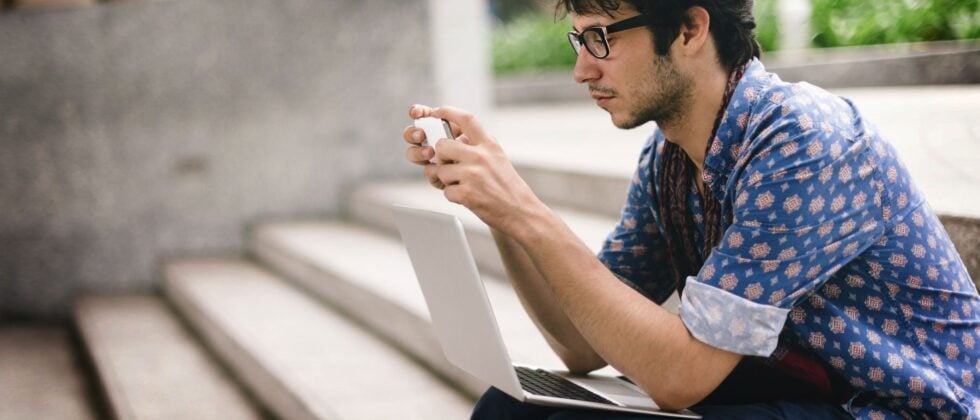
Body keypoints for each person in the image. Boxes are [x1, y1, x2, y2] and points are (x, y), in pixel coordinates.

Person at [401, 0, 980, 418]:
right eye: (578, 40)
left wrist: (526, 209)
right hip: (797, 386)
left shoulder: (803, 144)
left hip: (893, 407)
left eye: (601, 36)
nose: (583, 68)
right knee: (511, 407)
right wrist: (500, 210)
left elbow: (681, 378)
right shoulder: (671, 157)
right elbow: (581, 345)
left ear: (690, 28)